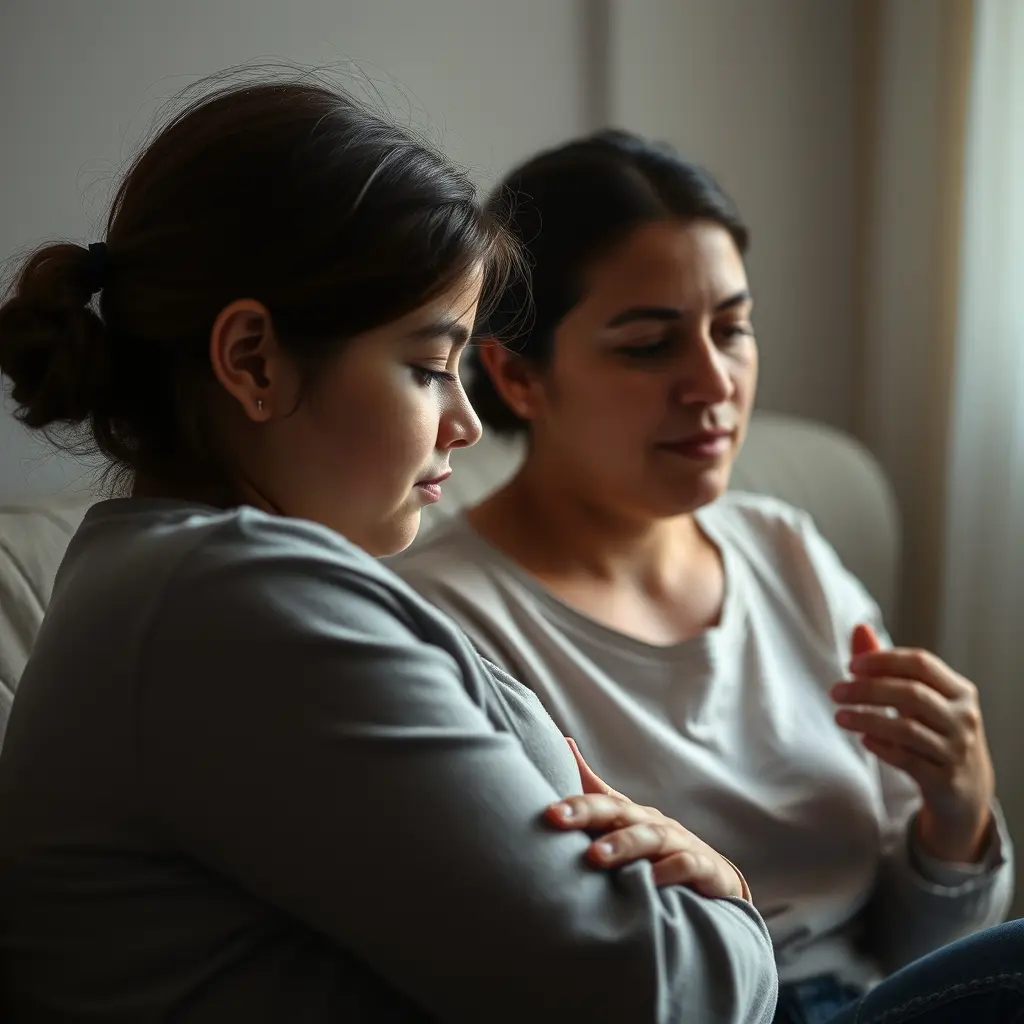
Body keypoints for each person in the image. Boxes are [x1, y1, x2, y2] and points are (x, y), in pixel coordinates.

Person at [0, 78, 779, 1023]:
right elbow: (640, 995)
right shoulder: (241, 611)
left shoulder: (176, 586)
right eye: (428, 367)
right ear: (251, 360)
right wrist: (732, 908)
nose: (465, 424)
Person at [392, 130, 1021, 1024]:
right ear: (518, 375)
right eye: (650, 345)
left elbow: (922, 955)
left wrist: (957, 815)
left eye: (732, 329)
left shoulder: (786, 551)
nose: (713, 382)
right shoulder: (444, 617)